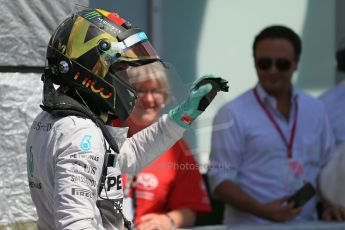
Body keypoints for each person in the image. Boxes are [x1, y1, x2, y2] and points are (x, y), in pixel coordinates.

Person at [26, 8, 228, 230]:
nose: (127, 80)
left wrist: (182, 115)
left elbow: (127, 157)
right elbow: (76, 224)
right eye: (121, 68)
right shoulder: (81, 132)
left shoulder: (51, 118)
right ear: (91, 67)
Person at [208, 25, 343, 225]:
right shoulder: (232, 113)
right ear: (254, 62)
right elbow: (220, 180)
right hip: (251, 225)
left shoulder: (316, 109)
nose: (272, 70)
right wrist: (262, 210)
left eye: (282, 64)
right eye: (264, 63)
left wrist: (331, 205)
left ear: (296, 63)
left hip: (307, 225)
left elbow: (326, 169)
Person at [115, 62, 212, 230]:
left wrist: (167, 221)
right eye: (141, 90)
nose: (149, 99)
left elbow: (190, 209)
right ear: (124, 94)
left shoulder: (176, 147)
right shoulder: (103, 132)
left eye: (156, 91)